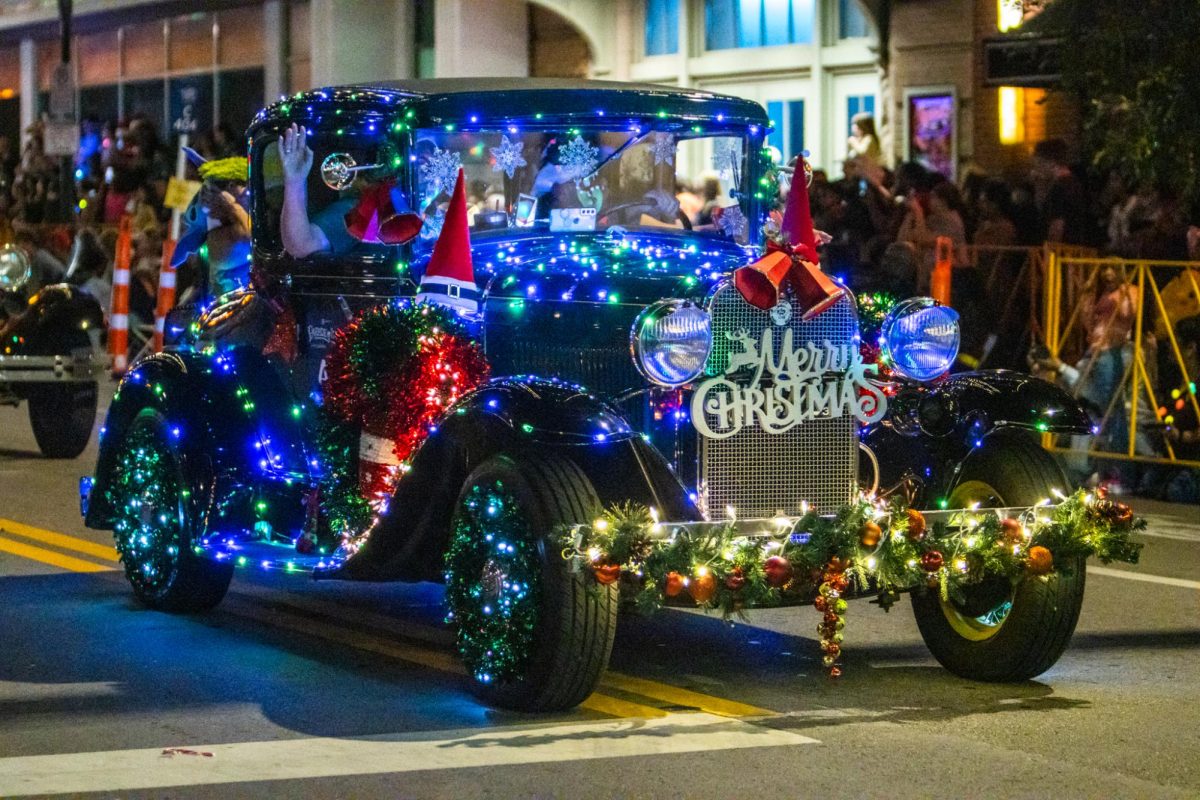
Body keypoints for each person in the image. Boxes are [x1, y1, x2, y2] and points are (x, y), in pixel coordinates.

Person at [896, 180, 968, 291]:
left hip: (949, 275)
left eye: (933, 197)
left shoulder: (952, 221)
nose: (929, 201)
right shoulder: (934, 219)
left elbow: (923, 239)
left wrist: (918, 211)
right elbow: (902, 239)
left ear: (943, 201)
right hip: (927, 270)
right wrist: (910, 214)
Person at [1032, 138, 1089, 245]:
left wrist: (1050, 253)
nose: (1037, 169)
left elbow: (1057, 226)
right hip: (1074, 249)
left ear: (1051, 163)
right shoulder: (1075, 183)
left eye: (1039, 164)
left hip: (1062, 253)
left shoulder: (1059, 188)